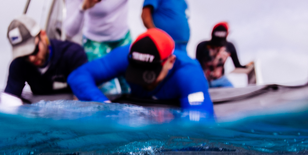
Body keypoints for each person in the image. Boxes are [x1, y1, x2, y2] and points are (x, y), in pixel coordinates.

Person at [67, 28, 214, 118]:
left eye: (150, 74)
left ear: (170, 62)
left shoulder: (189, 74)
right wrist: (104, 105)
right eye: (138, 70)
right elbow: (78, 76)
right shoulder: (126, 55)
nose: (144, 82)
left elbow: (200, 120)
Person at [0, 15, 88, 106]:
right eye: (24, 55)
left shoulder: (73, 54)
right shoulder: (19, 64)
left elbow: (84, 97)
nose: (31, 58)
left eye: (34, 50)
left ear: (43, 35)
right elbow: (10, 100)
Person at [195, 22, 252, 88]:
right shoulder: (202, 46)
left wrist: (248, 66)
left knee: (234, 93)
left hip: (221, 80)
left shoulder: (229, 46)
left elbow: (237, 65)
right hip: (204, 81)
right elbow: (197, 66)